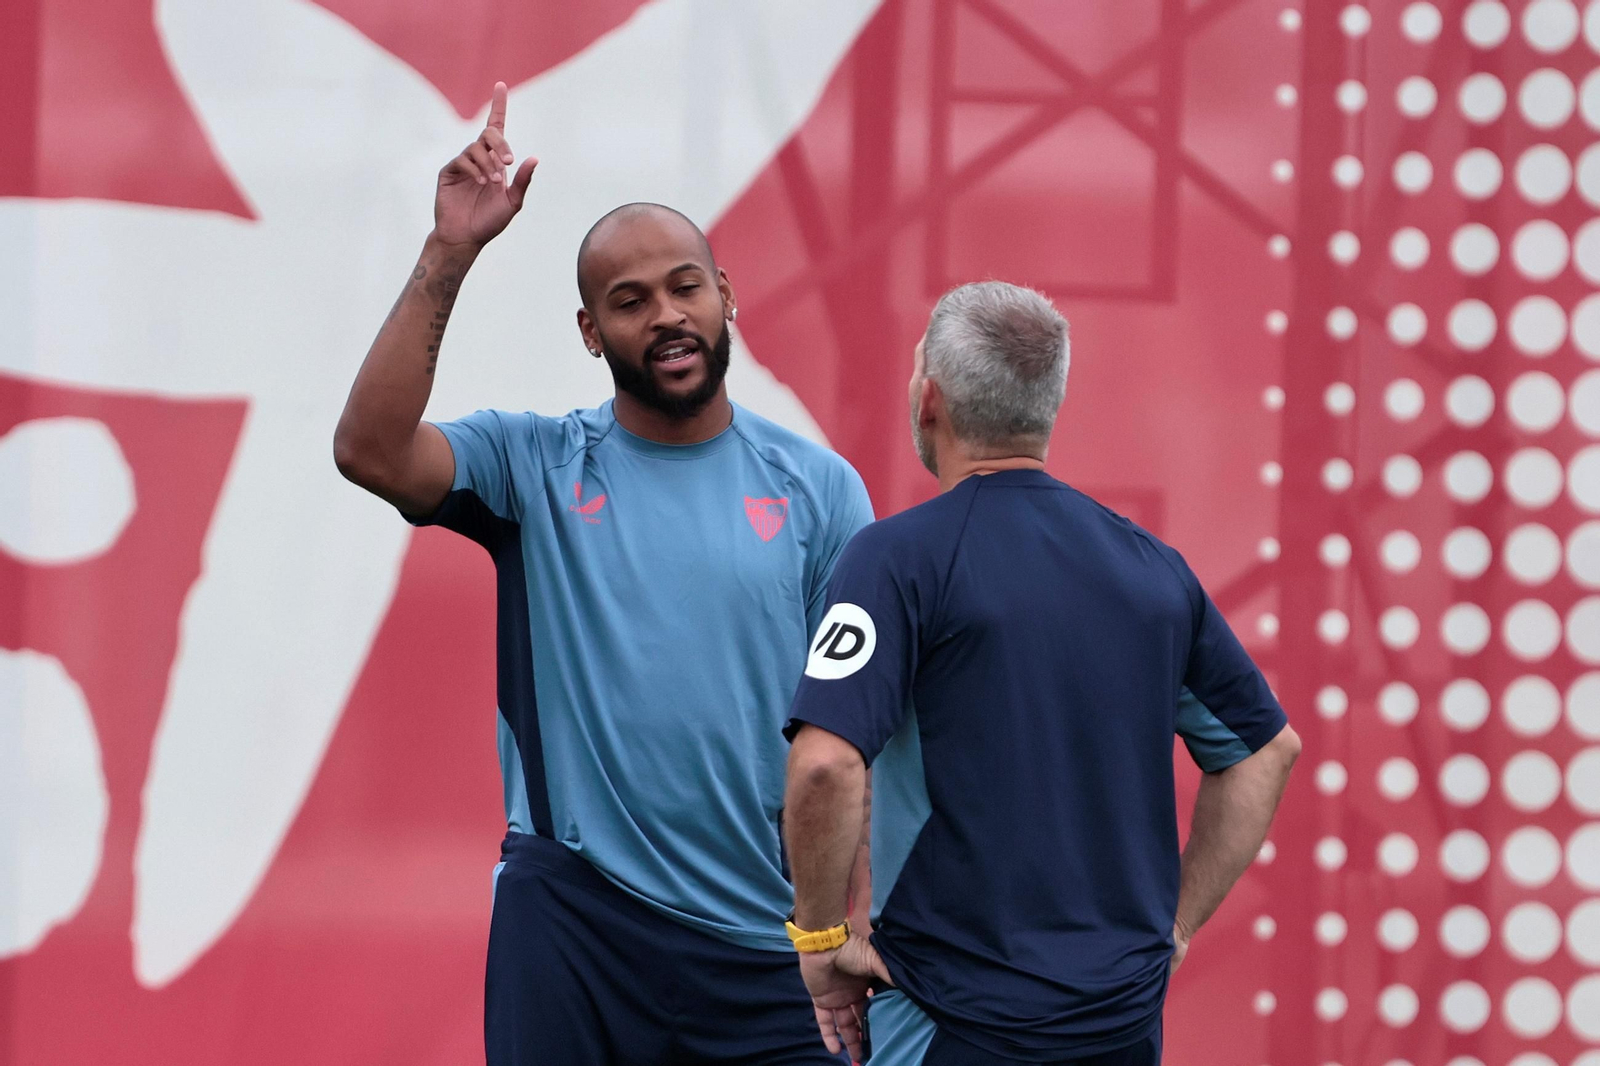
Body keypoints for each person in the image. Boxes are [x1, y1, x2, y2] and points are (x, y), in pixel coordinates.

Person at [333, 83, 873, 1065]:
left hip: (767, 949)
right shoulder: (531, 468)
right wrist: (449, 255)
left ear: (726, 295)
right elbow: (371, 450)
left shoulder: (819, 489)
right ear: (590, 333)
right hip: (574, 922)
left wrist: (843, 927)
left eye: (684, 286)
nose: (664, 315)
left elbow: (855, 735)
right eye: (628, 302)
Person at [780, 281, 1302, 1065]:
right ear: (1047, 406)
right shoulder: (1153, 570)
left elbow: (824, 765)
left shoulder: (897, 560)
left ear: (930, 401)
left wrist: (820, 943)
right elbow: (1266, 750)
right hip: (1120, 1029)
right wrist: (1177, 927)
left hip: (950, 1022)